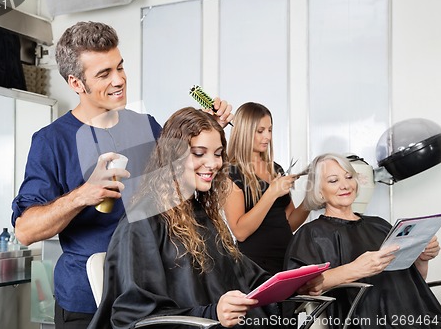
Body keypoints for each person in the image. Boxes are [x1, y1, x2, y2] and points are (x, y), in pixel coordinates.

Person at [10, 21, 233, 328]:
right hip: (87, 303)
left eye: (120, 67)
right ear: (76, 83)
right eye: (104, 74)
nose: (119, 80)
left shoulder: (147, 126)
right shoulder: (52, 141)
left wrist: (208, 128)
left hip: (149, 297)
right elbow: (25, 230)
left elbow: (185, 182)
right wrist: (82, 195)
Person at [88, 107, 323, 329]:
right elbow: (133, 316)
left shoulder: (202, 215)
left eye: (219, 154)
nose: (213, 164)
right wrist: (212, 314)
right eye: (199, 153)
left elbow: (247, 279)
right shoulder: (141, 221)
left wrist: (291, 286)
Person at [284, 153, 441, 329]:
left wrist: (422, 258)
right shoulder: (311, 234)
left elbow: (412, 282)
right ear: (319, 191)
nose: (345, 185)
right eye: (333, 181)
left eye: (349, 177)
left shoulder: (380, 225)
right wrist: (355, 269)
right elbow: (303, 288)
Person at [224, 102, 309, 275]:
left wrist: (311, 202)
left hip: (286, 260)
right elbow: (240, 232)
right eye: (260, 131)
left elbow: (289, 222)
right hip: (254, 267)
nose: (268, 137)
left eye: (270, 130)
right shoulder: (230, 172)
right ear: (245, 132)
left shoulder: (275, 169)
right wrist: (272, 193)